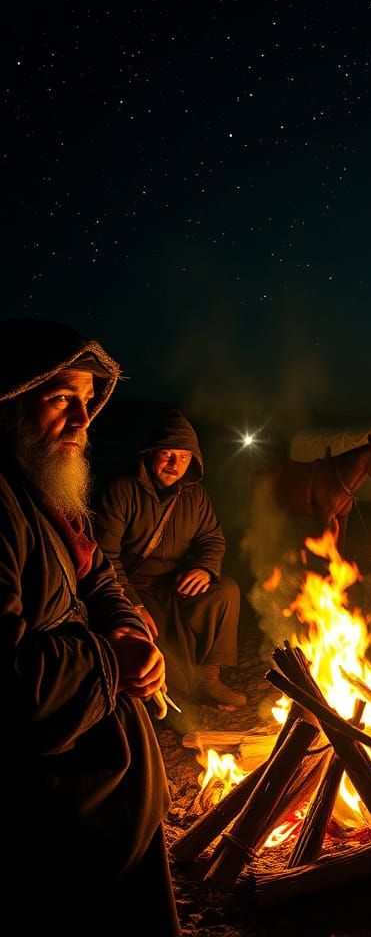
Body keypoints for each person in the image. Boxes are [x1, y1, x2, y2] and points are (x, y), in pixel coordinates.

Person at [0, 319, 179, 935]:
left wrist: (129, 630)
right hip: (58, 781)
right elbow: (8, 678)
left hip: (102, 741)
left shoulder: (45, 488)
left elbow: (99, 575)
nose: (81, 420)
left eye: (86, 401)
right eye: (59, 398)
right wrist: (110, 662)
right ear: (10, 403)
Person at [96, 409, 246, 709]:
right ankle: (163, 697)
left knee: (225, 590)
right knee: (174, 677)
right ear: (151, 453)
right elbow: (105, 557)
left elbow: (212, 539)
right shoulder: (122, 491)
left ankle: (210, 681)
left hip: (174, 586)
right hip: (132, 587)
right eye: (168, 454)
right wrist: (133, 605)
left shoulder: (196, 496)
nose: (176, 464)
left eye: (185, 457)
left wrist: (205, 568)